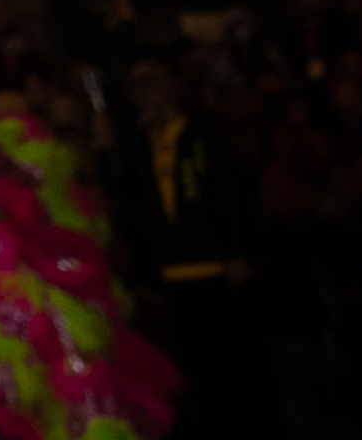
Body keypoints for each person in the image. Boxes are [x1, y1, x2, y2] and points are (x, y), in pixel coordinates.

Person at [105, 56, 269, 439]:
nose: (144, 94)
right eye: (136, 87)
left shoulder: (204, 137)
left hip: (218, 271)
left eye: (151, 82)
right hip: (172, 279)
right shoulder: (139, 148)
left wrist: (244, 252)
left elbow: (237, 196)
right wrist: (108, 149)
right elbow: (124, 202)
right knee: (196, 376)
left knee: (240, 368)